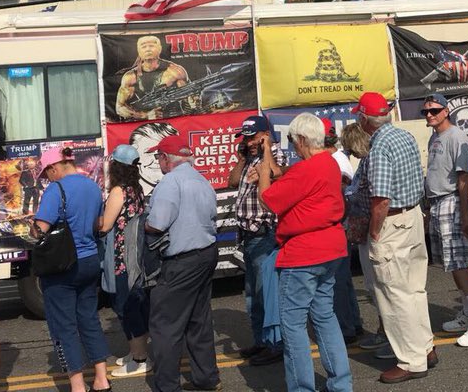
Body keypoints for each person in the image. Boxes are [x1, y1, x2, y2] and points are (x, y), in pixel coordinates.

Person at [258, 113, 353, 392]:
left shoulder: (306, 169)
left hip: (303, 253)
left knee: (294, 326)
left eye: (292, 141)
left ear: (301, 140)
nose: (292, 147)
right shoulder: (328, 163)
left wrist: (264, 174)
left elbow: (268, 201)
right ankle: (341, 384)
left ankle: (302, 388)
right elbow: (299, 183)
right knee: (325, 316)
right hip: (331, 247)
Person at [355, 92, 436, 384]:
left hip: (392, 222)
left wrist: (374, 232)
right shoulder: (402, 137)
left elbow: (381, 199)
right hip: (412, 216)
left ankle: (412, 360)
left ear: (365, 119)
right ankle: (425, 348)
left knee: (394, 295)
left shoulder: (379, 147)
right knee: (414, 289)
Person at [146, 134, 220, 392]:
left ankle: (167, 386)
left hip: (182, 261)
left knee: (166, 325)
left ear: (166, 158)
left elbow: (157, 224)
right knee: (198, 320)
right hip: (206, 253)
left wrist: (142, 224)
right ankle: (207, 378)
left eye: (158, 157)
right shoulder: (201, 180)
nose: (158, 161)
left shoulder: (170, 182)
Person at [32, 147, 111, 392]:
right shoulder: (92, 186)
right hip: (89, 260)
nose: (48, 179)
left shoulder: (57, 189)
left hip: (62, 265)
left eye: (47, 173)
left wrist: (31, 228)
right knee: (89, 318)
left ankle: (77, 385)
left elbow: (41, 228)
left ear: (54, 167)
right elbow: (99, 223)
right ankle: (101, 378)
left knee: (62, 324)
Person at [421, 93, 468, 346]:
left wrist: (464, 215)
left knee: (460, 263)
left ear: (445, 112)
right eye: (425, 111)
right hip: (438, 203)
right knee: (451, 264)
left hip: (452, 202)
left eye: (434, 110)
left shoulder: (455, 136)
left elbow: (464, 179)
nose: (429, 115)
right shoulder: (435, 137)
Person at [228, 115, 287, 367]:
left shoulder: (276, 155)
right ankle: (262, 341)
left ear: (265, 134)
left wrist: (265, 149)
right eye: (246, 138)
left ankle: (276, 344)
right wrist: (243, 157)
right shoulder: (249, 157)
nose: (249, 142)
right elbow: (232, 181)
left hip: (265, 234)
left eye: (253, 137)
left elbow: (276, 174)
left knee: (267, 292)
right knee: (253, 294)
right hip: (248, 235)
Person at [99, 144, 151, 377]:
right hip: (136, 254)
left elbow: (106, 224)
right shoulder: (136, 188)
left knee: (126, 306)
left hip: (121, 256)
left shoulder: (119, 191)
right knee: (136, 304)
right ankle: (136, 352)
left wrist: (91, 222)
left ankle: (140, 359)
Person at [339, 122, 388, 352]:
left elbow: (377, 198)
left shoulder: (370, 161)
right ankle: (382, 330)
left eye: (349, 146)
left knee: (380, 285)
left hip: (370, 228)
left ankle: (388, 333)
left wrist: (374, 231)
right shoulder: (364, 162)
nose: (348, 151)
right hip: (363, 229)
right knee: (373, 286)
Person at [323, 118, 364, 344]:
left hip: (340, 224)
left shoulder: (337, 161)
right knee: (343, 279)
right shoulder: (336, 158)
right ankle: (353, 324)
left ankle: (346, 327)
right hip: (342, 223)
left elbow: (341, 194)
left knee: (337, 279)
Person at [116, 35, 191, 120]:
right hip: (145, 124)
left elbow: (188, 102)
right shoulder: (130, 77)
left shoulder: (176, 72)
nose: (148, 49)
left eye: (151, 46)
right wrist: (144, 116)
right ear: (139, 51)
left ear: (159, 49)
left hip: (174, 121)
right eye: (144, 47)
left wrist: (193, 104)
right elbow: (119, 108)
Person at [129, 122, 178, 192]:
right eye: (149, 152)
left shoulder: (187, 191)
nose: (158, 160)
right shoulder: (123, 194)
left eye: (166, 152)